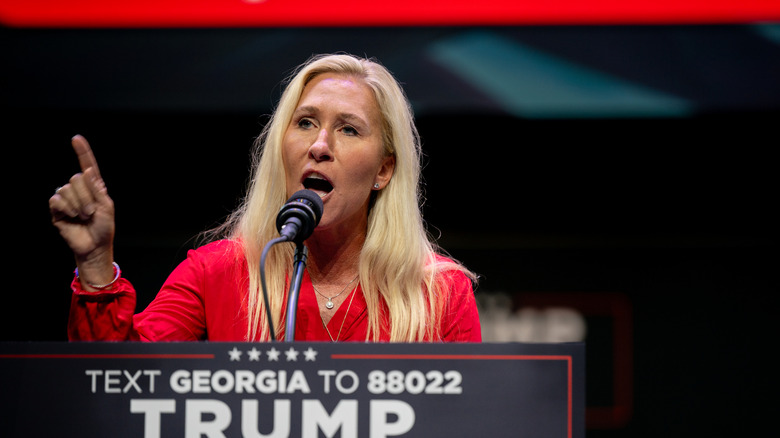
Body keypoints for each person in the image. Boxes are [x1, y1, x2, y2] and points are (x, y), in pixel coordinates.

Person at [49, 53, 481, 343]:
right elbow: (120, 385)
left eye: (349, 129)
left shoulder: (438, 292)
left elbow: (473, 419)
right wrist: (94, 265)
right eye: (306, 122)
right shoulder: (216, 273)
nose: (320, 145)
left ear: (384, 170)